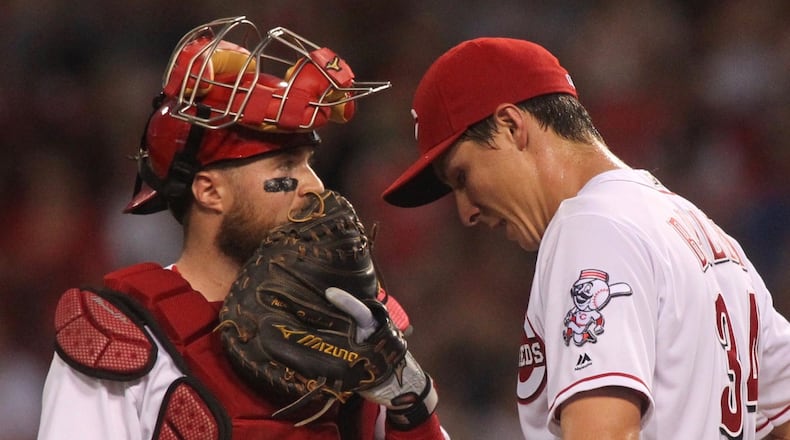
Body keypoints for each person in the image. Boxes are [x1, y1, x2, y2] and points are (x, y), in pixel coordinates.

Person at [38, 16, 447, 440]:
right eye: (286, 166)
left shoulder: (358, 335)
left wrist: (410, 405)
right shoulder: (121, 337)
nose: (314, 186)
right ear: (210, 191)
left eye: (310, 164)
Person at [381, 37, 790, 439]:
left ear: (511, 126)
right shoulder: (708, 236)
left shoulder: (590, 226)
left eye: (462, 177)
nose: (465, 211)